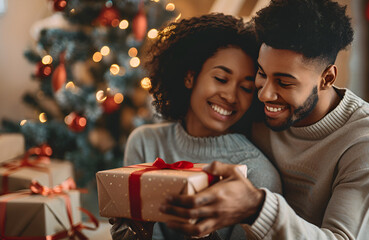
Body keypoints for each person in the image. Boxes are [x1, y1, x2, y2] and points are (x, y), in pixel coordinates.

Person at [160, 0, 369, 239]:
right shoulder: (258, 107)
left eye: (284, 82)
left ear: (327, 78)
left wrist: (256, 209)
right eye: (261, 73)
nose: (265, 93)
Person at [110, 13, 282, 240]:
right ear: (190, 77)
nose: (231, 96)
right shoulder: (144, 142)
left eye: (246, 88)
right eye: (221, 78)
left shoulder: (257, 173)